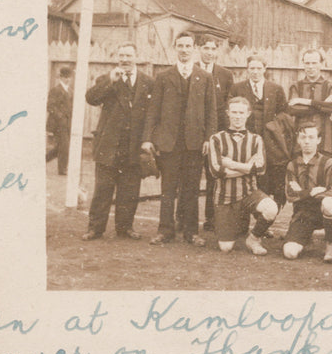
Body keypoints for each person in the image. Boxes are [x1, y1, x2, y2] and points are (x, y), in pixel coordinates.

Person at [143, 31, 217, 246]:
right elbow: (153, 111)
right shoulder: (164, 77)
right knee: (168, 189)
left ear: (194, 48)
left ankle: (191, 232)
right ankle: (165, 231)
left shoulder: (205, 77)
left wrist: (208, 138)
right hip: (169, 143)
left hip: (194, 144)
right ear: (175, 47)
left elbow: (211, 111)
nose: (184, 50)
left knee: (192, 189)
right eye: (180, 46)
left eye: (188, 46)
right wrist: (148, 138)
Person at [82, 44, 155, 240]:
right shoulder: (107, 79)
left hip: (133, 145)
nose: (125, 59)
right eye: (121, 55)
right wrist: (110, 81)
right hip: (110, 144)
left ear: (136, 57)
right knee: (103, 189)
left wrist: (147, 140)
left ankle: (125, 228)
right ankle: (95, 228)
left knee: (130, 190)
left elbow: (151, 115)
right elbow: (91, 99)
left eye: (129, 55)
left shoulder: (148, 82)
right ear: (117, 58)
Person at [207, 97, 278, 255]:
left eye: (241, 112)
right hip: (225, 197)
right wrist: (248, 167)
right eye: (234, 112)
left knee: (271, 208)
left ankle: (253, 238)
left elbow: (260, 169)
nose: (237, 116)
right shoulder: (216, 139)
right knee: (226, 247)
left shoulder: (256, 139)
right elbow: (216, 171)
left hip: (249, 193)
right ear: (227, 114)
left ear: (248, 114)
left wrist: (231, 164)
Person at [229, 54, 289, 207]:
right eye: (252, 68)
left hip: (270, 140)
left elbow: (284, 112)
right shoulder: (237, 88)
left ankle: (270, 214)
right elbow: (229, 110)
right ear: (247, 70)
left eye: (258, 68)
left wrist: (273, 125)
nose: (255, 72)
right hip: (247, 139)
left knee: (272, 175)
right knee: (250, 174)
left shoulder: (275, 88)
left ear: (264, 69)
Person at [283, 122, 332, 262]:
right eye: (303, 137)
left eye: (311, 137)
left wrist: (302, 193)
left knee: (329, 203)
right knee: (290, 253)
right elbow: (290, 195)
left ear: (319, 140)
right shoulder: (293, 165)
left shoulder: (328, 163)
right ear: (298, 140)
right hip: (302, 215)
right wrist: (313, 191)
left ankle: (330, 246)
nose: (307, 141)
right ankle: (304, 238)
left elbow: (331, 192)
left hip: (322, 212)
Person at [198, 35, 235, 232]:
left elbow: (227, 105)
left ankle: (211, 219)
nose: (209, 52)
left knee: (214, 175)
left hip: (217, 133)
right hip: (194, 132)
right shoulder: (191, 70)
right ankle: (183, 218)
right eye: (205, 48)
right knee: (189, 176)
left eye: (213, 49)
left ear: (217, 51)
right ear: (199, 49)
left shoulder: (225, 75)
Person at [287, 49, 332, 157]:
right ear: (303, 64)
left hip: (325, 142)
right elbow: (293, 110)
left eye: (314, 63)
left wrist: (306, 102)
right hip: (301, 142)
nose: (310, 67)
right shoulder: (296, 86)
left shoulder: (331, 86)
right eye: (307, 63)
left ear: (321, 64)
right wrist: (323, 105)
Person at [46, 65, 74, 175]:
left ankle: (42, 160)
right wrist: (60, 117)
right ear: (60, 78)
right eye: (65, 77)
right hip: (58, 123)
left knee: (60, 147)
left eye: (69, 77)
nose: (67, 79)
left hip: (68, 123)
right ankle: (62, 170)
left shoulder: (70, 91)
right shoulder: (55, 90)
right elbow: (50, 106)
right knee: (64, 146)